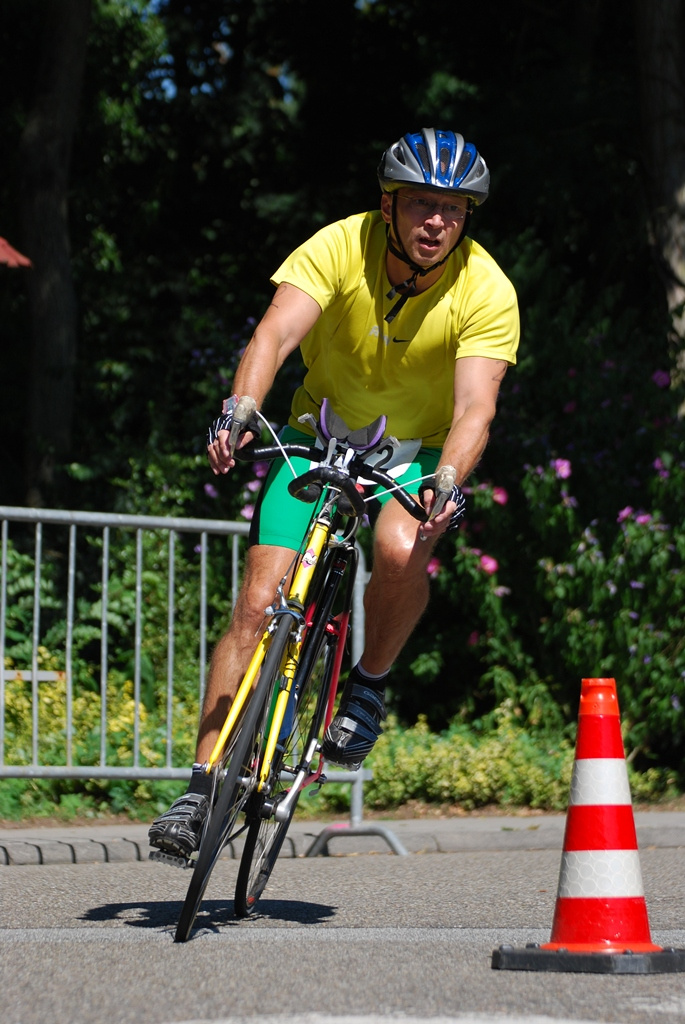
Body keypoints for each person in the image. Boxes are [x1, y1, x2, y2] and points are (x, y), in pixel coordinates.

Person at [149, 127, 520, 861]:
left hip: (413, 453)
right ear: (388, 205)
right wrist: (240, 408)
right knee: (258, 601)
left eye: (452, 209)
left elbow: (476, 406)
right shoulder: (340, 244)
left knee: (400, 546)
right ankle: (198, 790)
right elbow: (273, 335)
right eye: (420, 204)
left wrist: (447, 482)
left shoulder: (486, 287)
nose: (436, 222)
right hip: (314, 438)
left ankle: (368, 684)